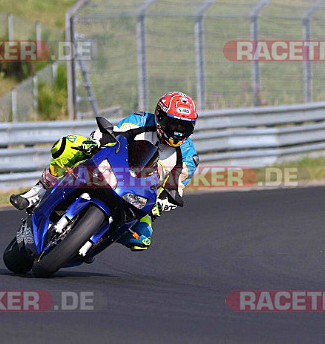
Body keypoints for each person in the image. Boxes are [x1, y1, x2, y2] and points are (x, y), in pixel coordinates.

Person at [10, 91, 199, 251]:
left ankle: (92, 240)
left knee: (141, 240)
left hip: (137, 194)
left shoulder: (188, 158)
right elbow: (112, 134)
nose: (177, 131)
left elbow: (175, 190)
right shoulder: (141, 120)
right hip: (111, 170)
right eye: (173, 124)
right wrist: (95, 142)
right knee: (68, 145)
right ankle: (37, 192)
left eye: (183, 126)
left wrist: (160, 205)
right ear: (159, 117)